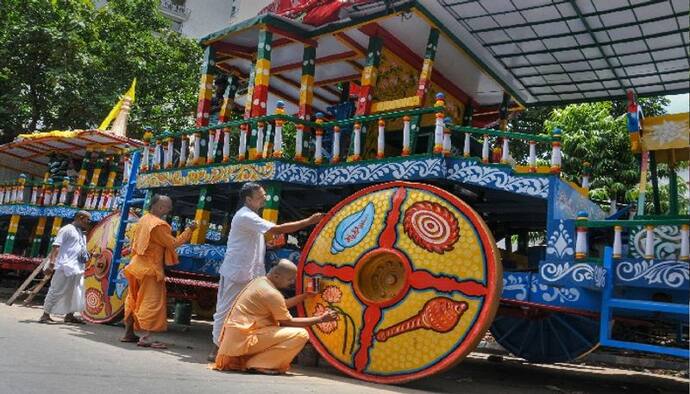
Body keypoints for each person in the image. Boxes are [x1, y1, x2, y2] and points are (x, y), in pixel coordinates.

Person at [210, 182, 324, 359]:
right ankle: (217, 348)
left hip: (251, 272)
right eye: (261, 196)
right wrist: (309, 221)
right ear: (248, 199)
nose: (265, 199)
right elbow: (277, 229)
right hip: (237, 271)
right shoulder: (245, 215)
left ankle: (237, 348)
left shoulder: (251, 215)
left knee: (253, 311)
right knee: (226, 310)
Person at [213, 259, 337, 375]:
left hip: (237, 340)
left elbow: (280, 305)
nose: (292, 283)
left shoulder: (260, 282)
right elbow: (287, 322)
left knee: (290, 332)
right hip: (244, 340)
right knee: (301, 334)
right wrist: (320, 319)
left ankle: (256, 362)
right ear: (277, 276)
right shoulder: (271, 293)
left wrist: (305, 295)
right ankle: (260, 364)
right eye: (290, 279)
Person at [121, 194, 197, 348]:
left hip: (136, 266)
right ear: (156, 206)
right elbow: (173, 243)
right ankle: (147, 337)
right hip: (150, 269)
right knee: (152, 302)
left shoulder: (143, 219)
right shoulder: (158, 225)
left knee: (133, 299)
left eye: (168, 206)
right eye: (165, 206)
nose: (168, 209)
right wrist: (190, 229)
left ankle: (129, 333)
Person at [39, 211, 94, 324]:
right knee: (56, 290)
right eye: (87, 219)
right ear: (80, 217)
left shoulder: (81, 233)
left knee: (75, 293)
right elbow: (56, 246)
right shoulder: (67, 229)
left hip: (77, 267)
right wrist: (52, 263)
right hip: (65, 266)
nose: (89, 222)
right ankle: (45, 315)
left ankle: (70, 316)